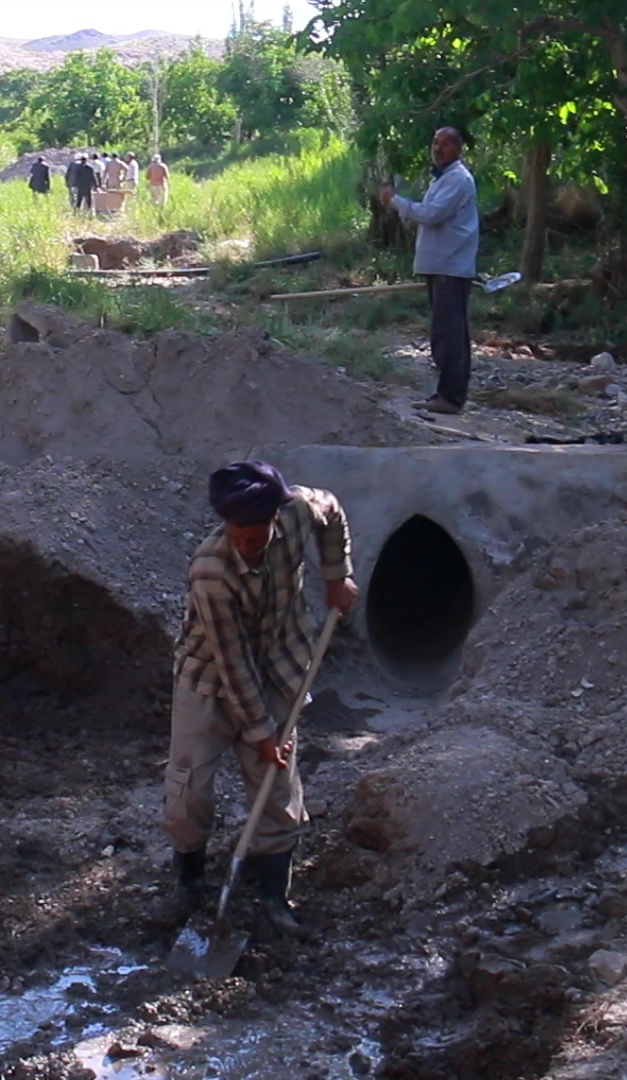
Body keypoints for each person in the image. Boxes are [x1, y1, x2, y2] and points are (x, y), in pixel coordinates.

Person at [158, 461, 358, 935]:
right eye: (236, 536)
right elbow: (233, 661)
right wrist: (262, 730)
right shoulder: (211, 569)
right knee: (189, 790)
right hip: (207, 677)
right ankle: (187, 885)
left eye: (254, 537)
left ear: (275, 518)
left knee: (275, 785)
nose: (245, 547)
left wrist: (336, 573)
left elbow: (331, 510)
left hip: (282, 664)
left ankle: (273, 896)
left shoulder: (297, 511)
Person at [380, 127, 479, 415]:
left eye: (446, 144)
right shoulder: (446, 179)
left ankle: (450, 398)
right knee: (446, 333)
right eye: (435, 142)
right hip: (442, 266)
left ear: (458, 149)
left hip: (451, 267)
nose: (438, 148)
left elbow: (430, 214)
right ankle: (447, 394)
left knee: (449, 335)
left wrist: (395, 201)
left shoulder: (458, 179)